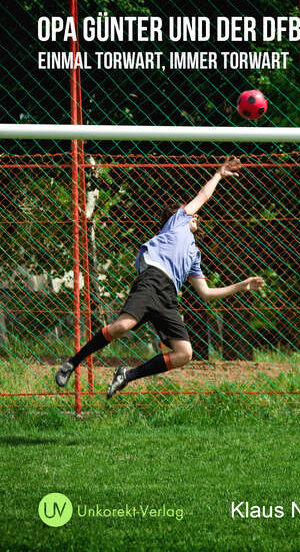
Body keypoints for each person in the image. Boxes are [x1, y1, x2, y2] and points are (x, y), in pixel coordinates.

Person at [55, 157, 264, 398]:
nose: (195, 216)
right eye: (190, 212)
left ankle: (126, 376)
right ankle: (72, 362)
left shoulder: (194, 255)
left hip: (168, 297)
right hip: (152, 280)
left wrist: (241, 285)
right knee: (122, 326)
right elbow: (204, 196)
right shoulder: (178, 223)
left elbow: (206, 293)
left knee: (184, 353)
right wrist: (219, 174)